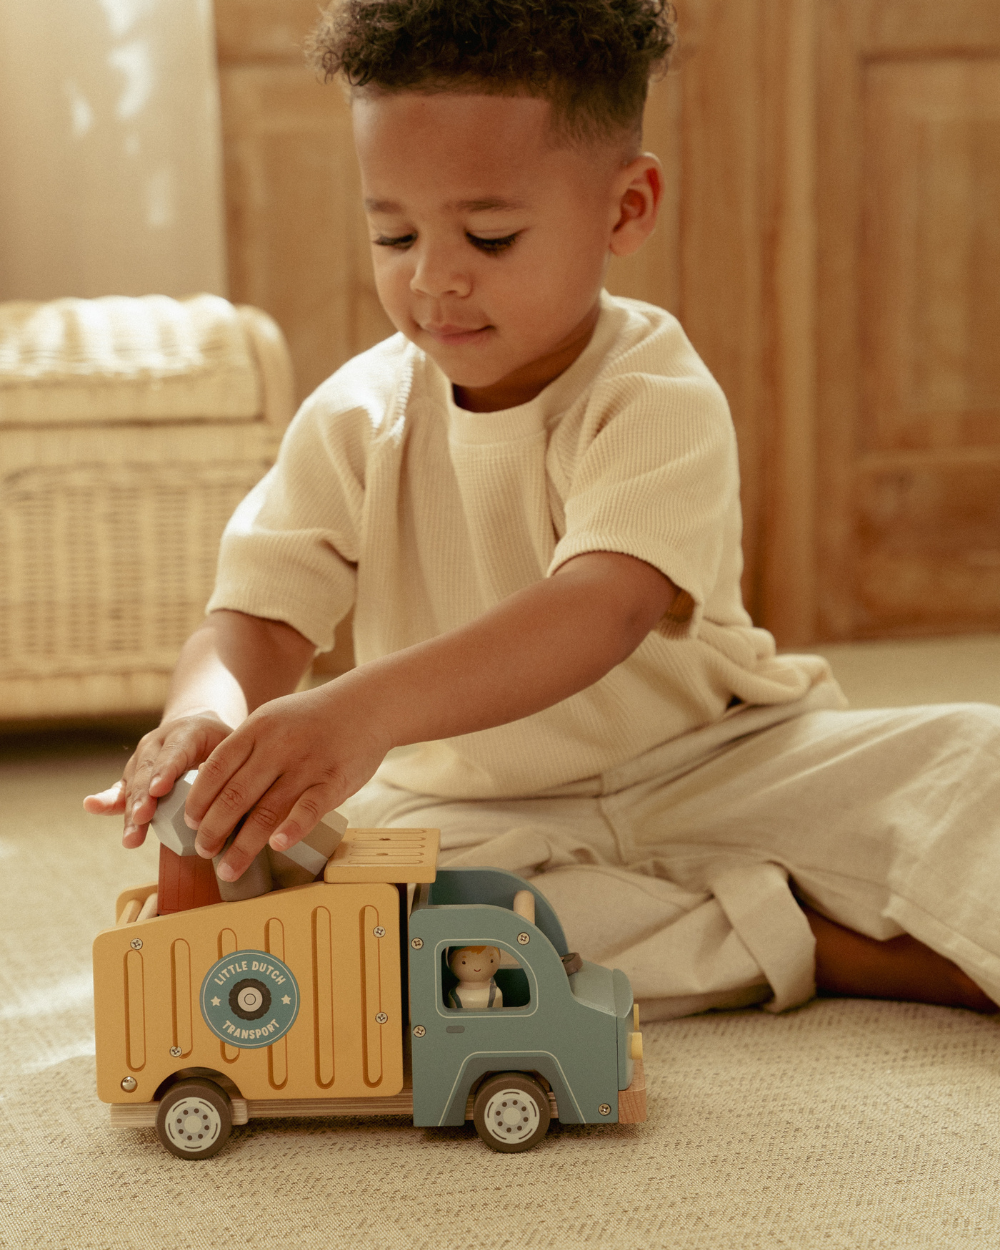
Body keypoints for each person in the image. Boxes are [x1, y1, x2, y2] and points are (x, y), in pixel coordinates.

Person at [86, 0, 1000, 1021]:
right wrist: (203, 717)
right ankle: (820, 942)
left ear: (626, 209)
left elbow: (598, 609)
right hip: (472, 807)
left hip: (715, 760)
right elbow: (254, 615)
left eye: (489, 233)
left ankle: (750, 914)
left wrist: (364, 707)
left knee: (974, 755)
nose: (432, 276)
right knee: (378, 928)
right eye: (392, 231)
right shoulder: (354, 414)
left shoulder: (654, 396)